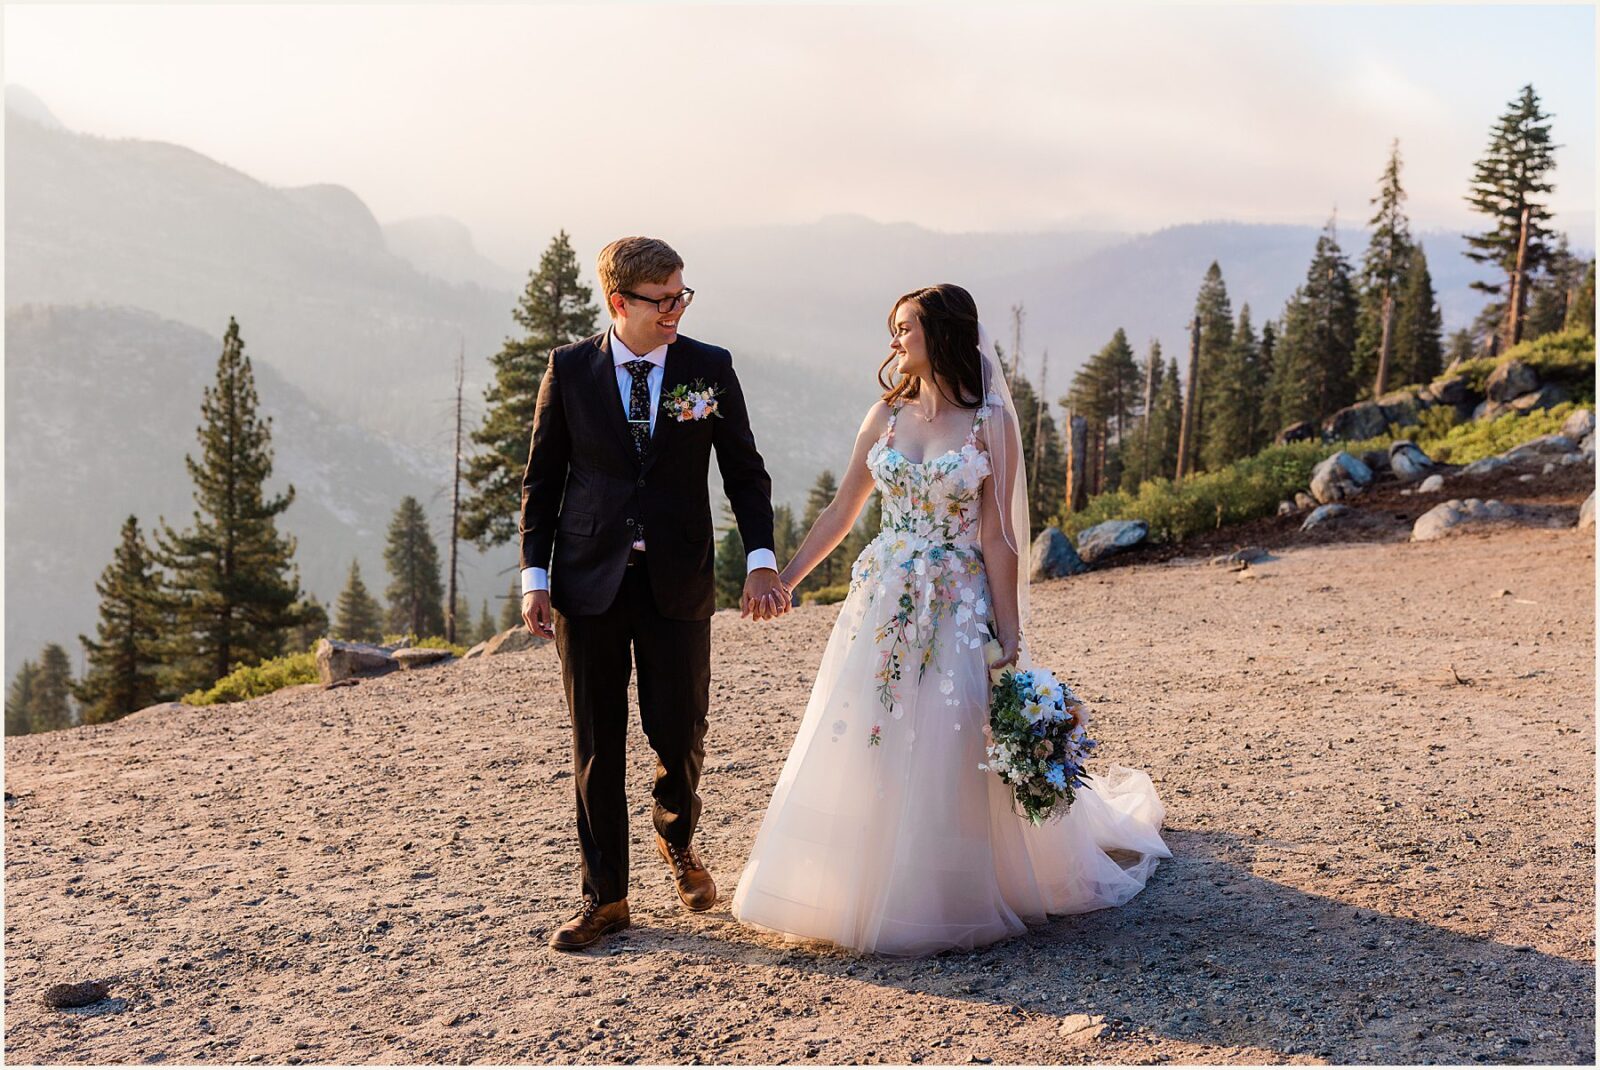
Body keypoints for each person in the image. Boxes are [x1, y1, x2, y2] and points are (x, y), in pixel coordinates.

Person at [730, 284, 1172, 956]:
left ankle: (943, 885)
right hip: (881, 603)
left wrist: (1009, 632)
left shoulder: (989, 422)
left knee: (951, 738)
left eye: (905, 327)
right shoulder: (885, 413)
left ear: (940, 334)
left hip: (958, 605)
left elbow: (999, 535)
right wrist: (785, 580)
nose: (895, 340)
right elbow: (842, 511)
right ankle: (861, 876)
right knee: (872, 727)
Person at [519, 236, 790, 952]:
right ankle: (605, 898)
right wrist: (535, 577)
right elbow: (542, 480)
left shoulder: (709, 368)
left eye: (681, 296)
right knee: (595, 743)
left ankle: (676, 834)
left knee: (680, 729)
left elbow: (745, 472)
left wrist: (761, 561)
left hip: (679, 577)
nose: (676, 310)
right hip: (587, 581)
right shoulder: (569, 369)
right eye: (663, 300)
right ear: (620, 302)